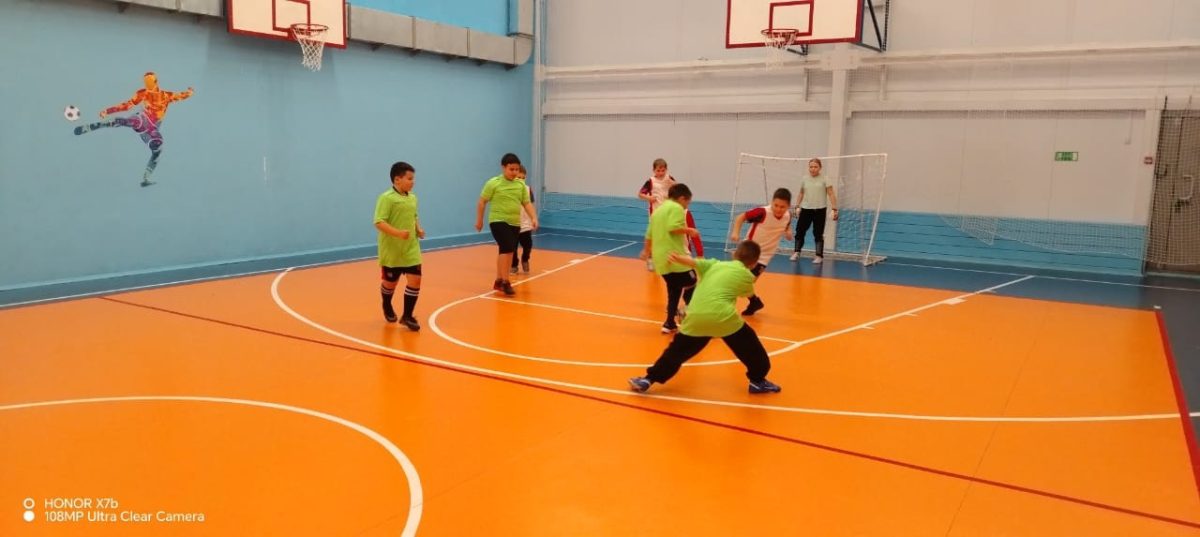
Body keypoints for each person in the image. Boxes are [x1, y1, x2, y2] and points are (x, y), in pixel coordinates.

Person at [628, 241, 782, 394]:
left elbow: (694, 262)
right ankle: (758, 381)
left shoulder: (714, 264)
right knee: (752, 349)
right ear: (754, 263)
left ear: (734, 254)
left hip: (695, 315)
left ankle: (648, 379)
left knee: (676, 352)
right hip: (723, 318)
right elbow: (746, 293)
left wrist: (678, 258)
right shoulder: (747, 276)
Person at [73, 72, 194, 187]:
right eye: (146, 83)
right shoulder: (143, 93)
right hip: (143, 118)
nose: (148, 86)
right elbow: (127, 105)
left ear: (156, 82)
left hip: (152, 127)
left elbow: (182, 96)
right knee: (130, 121)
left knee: (158, 147)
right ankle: (94, 126)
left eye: (150, 83)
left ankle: (146, 177)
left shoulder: (166, 95)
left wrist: (190, 92)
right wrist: (108, 111)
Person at [640, 183, 699, 334]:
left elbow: (648, 235)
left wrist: (646, 251)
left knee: (674, 290)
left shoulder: (658, 211)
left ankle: (669, 323)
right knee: (693, 284)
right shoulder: (677, 208)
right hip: (676, 259)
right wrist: (690, 230)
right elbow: (673, 227)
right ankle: (691, 319)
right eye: (687, 203)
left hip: (661, 260)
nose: (686, 206)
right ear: (682, 198)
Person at [476, 153, 537, 295]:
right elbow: (482, 201)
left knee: (506, 251)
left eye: (516, 169)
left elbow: (526, 203)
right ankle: (505, 281)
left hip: (514, 222)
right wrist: (479, 220)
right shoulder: (493, 183)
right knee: (508, 248)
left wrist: (533, 217)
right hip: (498, 221)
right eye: (511, 169)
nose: (514, 172)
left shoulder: (520, 185)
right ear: (503, 167)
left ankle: (498, 280)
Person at [373, 161, 424, 331]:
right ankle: (386, 304)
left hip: (411, 248)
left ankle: (407, 316)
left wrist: (418, 229)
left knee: (416, 280)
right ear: (397, 179)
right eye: (409, 179)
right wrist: (398, 233)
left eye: (413, 179)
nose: (413, 182)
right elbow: (379, 222)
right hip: (392, 250)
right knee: (390, 283)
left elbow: (414, 216)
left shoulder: (413, 198)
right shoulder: (386, 198)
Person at [728, 188, 793, 316]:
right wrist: (735, 232)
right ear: (772, 202)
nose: (778, 209)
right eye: (776, 205)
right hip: (748, 250)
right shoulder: (762, 212)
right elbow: (740, 217)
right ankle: (740, 304)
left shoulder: (788, 216)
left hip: (765, 255)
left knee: (747, 282)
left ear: (788, 206)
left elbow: (786, 225)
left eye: (782, 207)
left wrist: (788, 231)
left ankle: (754, 302)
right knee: (737, 280)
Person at [790, 158, 839, 263]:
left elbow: (831, 193)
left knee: (818, 233)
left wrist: (834, 208)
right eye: (811, 167)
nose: (813, 169)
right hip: (806, 209)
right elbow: (801, 193)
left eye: (815, 167)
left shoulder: (825, 179)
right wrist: (797, 206)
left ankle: (819, 256)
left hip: (820, 210)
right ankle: (796, 252)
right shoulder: (804, 179)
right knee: (799, 230)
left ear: (820, 168)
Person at [637, 158, 675, 271]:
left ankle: (667, 259)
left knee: (668, 235)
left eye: (663, 170)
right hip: (655, 212)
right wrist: (649, 198)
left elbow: (678, 189)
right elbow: (640, 194)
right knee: (653, 236)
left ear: (666, 170)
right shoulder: (650, 181)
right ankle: (650, 259)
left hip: (668, 212)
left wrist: (673, 186)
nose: (661, 173)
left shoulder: (669, 178)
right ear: (654, 170)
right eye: (658, 170)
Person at [510, 165, 535, 275]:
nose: (521, 180)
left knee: (528, 245)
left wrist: (533, 218)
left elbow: (531, 205)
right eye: (518, 178)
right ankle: (514, 265)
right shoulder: (509, 190)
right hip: (512, 223)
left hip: (525, 224)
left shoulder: (528, 189)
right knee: (513, 247)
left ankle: (525, 259)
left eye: (523, 178)